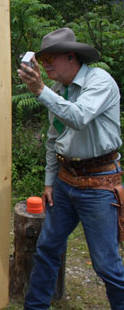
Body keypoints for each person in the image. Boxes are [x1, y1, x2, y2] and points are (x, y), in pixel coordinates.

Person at [17, 27, 124, 309]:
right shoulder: (58, 90)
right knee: (47, 248)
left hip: (99, 184)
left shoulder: (99, 81)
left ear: (70, 56)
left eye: (51, 57)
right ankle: (35, 306)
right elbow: (54, 140)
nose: (45, 64)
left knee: (106, 266)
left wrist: (39, 90)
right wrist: (50, 182)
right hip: (65, 183)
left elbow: (78, 118)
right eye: (42, 58)